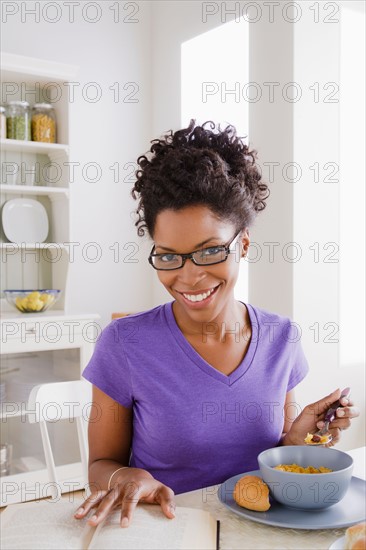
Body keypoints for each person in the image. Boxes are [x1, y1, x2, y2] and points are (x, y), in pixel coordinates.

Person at [74, 120, 359, 528]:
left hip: (261, 531)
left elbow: (272, 454)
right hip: (167, 531)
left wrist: (297, 441)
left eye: (209, 252)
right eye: (169, 255)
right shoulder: (124, 344)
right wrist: (127, 476)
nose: (188, 277)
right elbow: (102, 463)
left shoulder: (281, 338)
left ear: (243, 243)